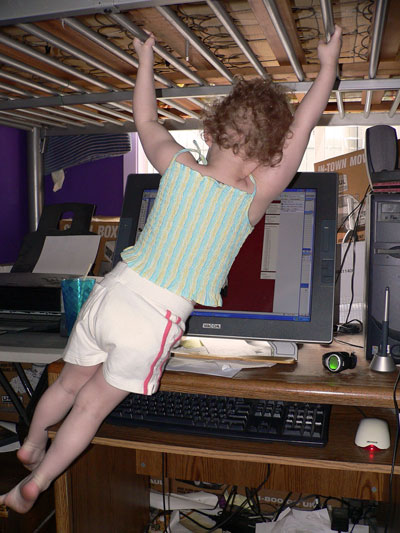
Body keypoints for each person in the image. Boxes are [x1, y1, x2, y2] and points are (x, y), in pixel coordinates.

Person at [0, 25, 342, 514]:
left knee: (67, 385)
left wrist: (145, 61)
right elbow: (302, 129)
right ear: (269, 157)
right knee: (93, 406)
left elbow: (145, 119)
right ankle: (37, 481)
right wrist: (326, 68)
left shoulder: (177, 165)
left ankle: (31, 440)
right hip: (152, 320)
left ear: (208, 134)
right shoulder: (253, 196)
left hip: (111, 295)